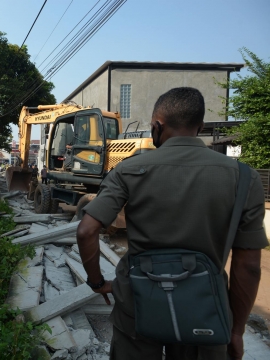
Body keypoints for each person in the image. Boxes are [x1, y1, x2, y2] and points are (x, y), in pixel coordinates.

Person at [76, 87, 267, 360]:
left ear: (156, 125)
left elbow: (86, 231)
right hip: (205, 309)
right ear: (200, 126)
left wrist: (97, 283)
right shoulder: (244, 177)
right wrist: (235, 331)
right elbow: (248, 266)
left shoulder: (128, 170)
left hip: (137, 304)